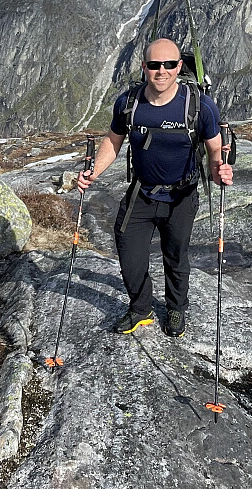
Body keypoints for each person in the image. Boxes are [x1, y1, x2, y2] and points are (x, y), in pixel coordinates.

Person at [77, 38, 233, 338]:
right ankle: (141, 308)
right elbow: (113, 140)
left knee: (176, 255)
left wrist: (219, 170)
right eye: (154, 65)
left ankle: (176, 308)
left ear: (179, 67)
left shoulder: (200, 106)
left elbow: (215, 148)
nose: (161, 71)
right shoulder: (129, 103)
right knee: (128, 254)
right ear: (144, 67)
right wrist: (93, 172)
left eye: (169, 65)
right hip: (142, 192)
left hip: (182, 196)